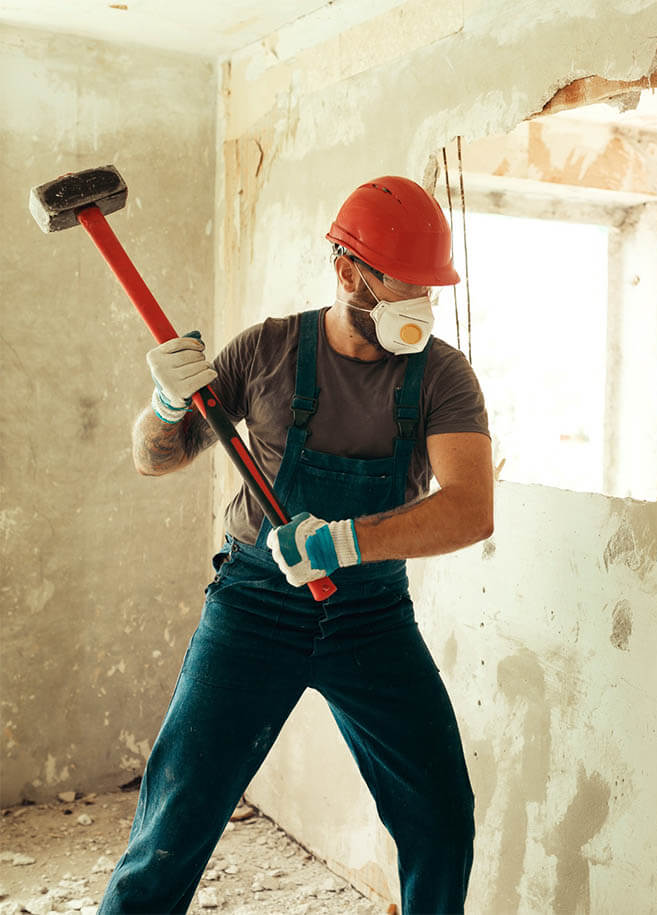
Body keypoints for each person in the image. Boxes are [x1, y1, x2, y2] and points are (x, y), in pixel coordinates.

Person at [98, 176, 493, 915]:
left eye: (428, 291)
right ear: (348, 272)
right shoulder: (268, 351)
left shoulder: (441, 374)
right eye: (404, 287)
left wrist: (347, 541)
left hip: (369, 614)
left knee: (441, 820)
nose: (420, 308)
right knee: (171, 824)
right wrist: (164, 405)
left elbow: (471, 510)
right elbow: (155, 458)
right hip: (253, 608)